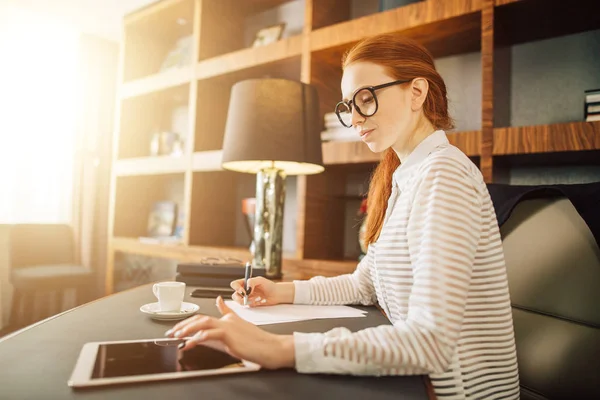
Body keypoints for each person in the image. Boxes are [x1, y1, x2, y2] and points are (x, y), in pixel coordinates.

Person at [166, 33, 520, 399]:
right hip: (418, 383)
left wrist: (277, 349)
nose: (353, 119)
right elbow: (364, 284)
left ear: (417, 93)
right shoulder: (407, 176)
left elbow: (429, 342)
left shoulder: (444, 175)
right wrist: (281, 292)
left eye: (366, 99)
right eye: (348, 106)